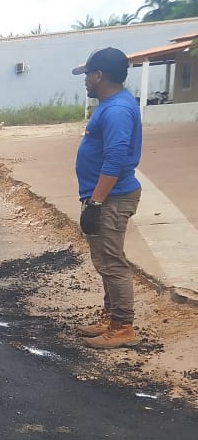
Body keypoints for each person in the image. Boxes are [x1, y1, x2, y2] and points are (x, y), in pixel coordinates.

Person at [71, 47, 142, 348]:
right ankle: (111, 317)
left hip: (112, 198)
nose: (85, 80)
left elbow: (115, 159)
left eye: (87, 74)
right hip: (106, 197)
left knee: (111, 262)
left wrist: (96, 203)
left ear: (99, 75)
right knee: (104, 260)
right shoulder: (112, 105)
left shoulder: (116, 111)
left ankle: (123, 326)